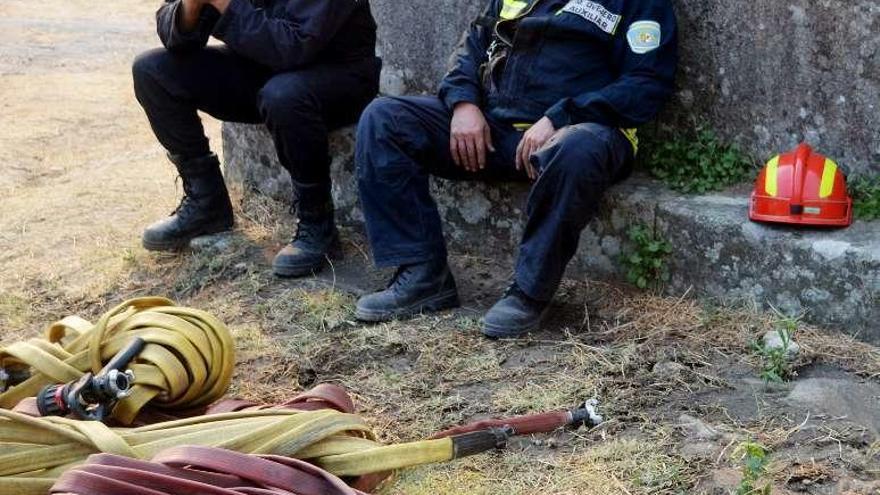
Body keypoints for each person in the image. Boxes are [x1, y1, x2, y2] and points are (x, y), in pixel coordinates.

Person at [354, 0, 677, 337]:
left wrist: (562, 116)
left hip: (581, 133)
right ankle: (422, 276)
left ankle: (528, 293)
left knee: (577, 148)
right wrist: (464, 104)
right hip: (497, 132)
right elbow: (471, 50)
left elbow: (647, 83)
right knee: (385, 118)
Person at [132, 0, 381, 278]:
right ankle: (207, 204)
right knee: (151, 70)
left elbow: (295, 46)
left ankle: (317, 223)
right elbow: (175, 38)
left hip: (337, 73)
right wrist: (190, 7)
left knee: (283, 95)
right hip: (263, 64)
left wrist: (223, 4)